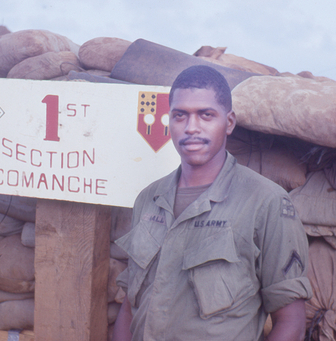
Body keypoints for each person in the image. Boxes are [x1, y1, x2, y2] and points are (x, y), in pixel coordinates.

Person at [113, 65, 312, 341]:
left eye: (206, 115)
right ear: (169, 121)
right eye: (180, 116)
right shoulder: (149, 200)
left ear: (228, 122)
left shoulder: (265, 202)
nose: (191, 128)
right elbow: (129, 307)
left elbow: (291, 322)